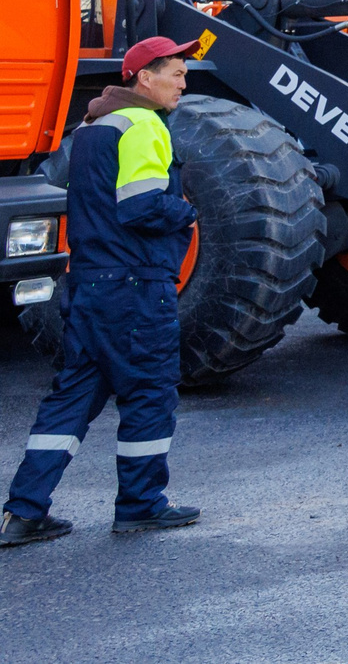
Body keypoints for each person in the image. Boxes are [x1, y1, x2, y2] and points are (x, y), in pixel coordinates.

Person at [4, 37, 203, 548]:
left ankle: (24, 512)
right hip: (137, 288)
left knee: (71, 398)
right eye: (175, 73)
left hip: (90, 285)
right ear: (144, 78)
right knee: (149, 394)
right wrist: (187, 211)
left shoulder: (91, 127)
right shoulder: (143, 124)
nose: (183, 83)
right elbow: (141, 208)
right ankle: (140, 506)